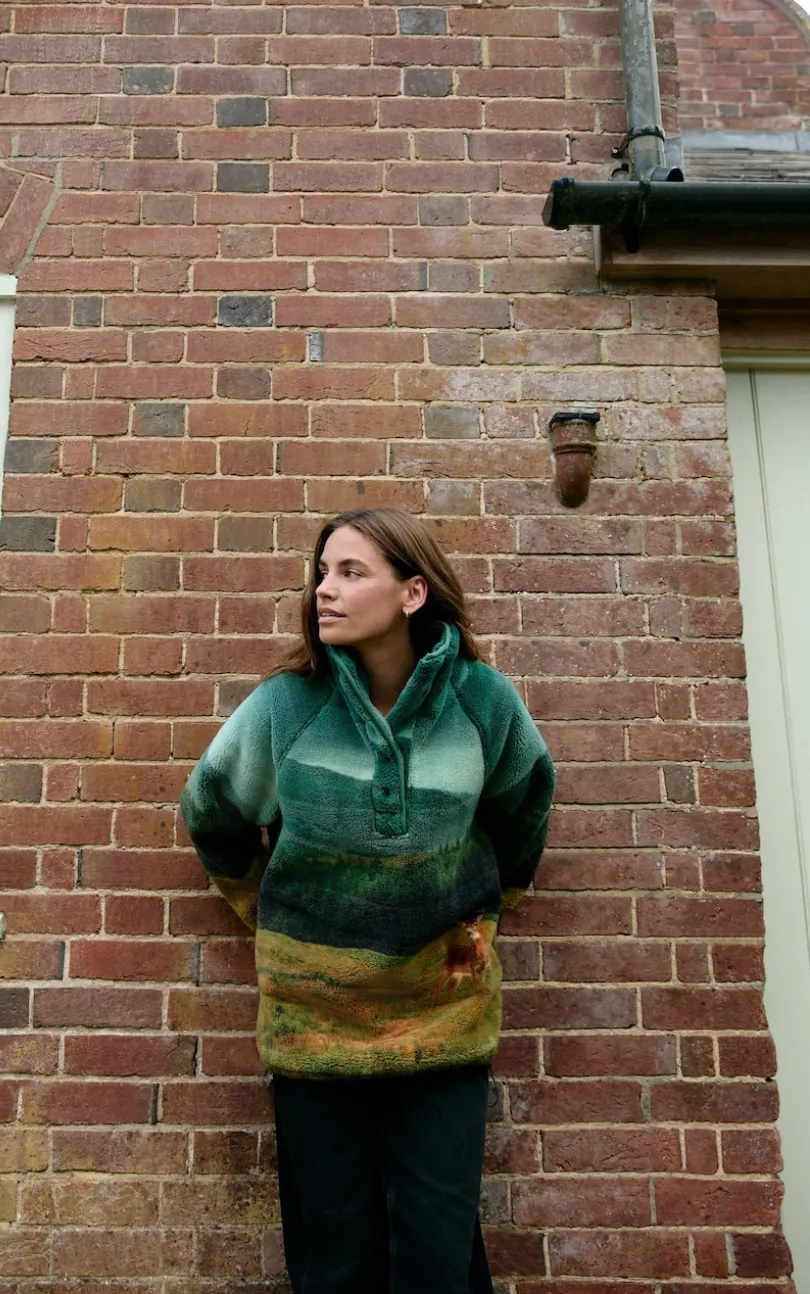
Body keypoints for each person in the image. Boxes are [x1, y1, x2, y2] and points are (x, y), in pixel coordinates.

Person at [180, 507, 556, 1294]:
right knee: (335, 1263)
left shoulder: (483, 702)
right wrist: (272, 915)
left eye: (351, 572)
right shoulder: (287, 707)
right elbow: (212, 812)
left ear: (412, 593)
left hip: (444, 1023)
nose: (325, 589)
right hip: (313, 1026)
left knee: (437, 1258)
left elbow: (523, 810)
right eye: (322, 573)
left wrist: (481, 925)